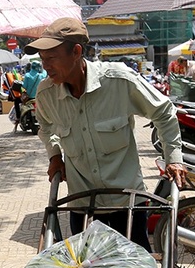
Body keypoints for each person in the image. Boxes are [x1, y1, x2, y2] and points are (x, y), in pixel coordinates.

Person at [27, 17, 186, 250]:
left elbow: (163, 111)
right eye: (42, 59)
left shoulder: (119, 81)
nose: (45, 66)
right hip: (82, 202)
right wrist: (54, 156)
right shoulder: (46, 94)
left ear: (76, 52)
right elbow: (46, 127)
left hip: (127, 201)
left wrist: (173, 159)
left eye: (51, 58)